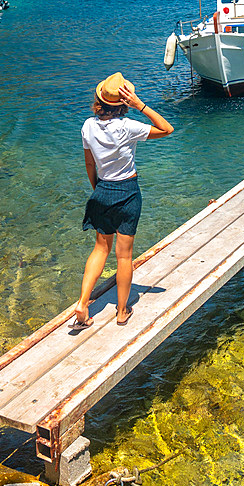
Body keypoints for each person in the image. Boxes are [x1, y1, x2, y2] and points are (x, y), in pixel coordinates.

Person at [72, 72, 173, 329]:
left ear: (99, 100)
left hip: (102, 191)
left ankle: (83, 303)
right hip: (127, 191)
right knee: (124, 256)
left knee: (100, 249)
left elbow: (89, 163)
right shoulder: (129, 127)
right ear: (124, 102)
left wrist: (99, 190)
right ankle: (121, 311)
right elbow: (166, 129)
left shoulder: (88, 126)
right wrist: (140, 105)